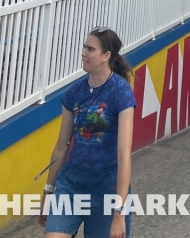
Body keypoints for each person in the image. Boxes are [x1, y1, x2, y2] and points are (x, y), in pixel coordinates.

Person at [40, 28, 135, 238]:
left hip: (107, 188)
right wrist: (48, 190)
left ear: (106, 56)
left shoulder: (121, 93)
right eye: (84, 47)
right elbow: (60, 147)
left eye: (90, 49)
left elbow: (123, 154)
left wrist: (119, 213)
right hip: (72, 183)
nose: (83, 53)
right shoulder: (74, 93)